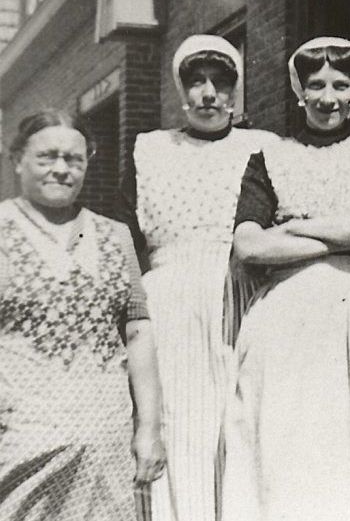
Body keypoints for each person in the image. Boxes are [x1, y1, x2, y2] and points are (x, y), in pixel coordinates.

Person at [221, 37, 350, 521]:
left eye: (341, 85)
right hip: (285, 318)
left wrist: (293, 228)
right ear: (298, 91)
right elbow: (250, 245)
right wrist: (342, 231)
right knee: (284, 446)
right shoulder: (269, 155)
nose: (328, 97)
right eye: (316, 84)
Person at [128, 35, 279, 521]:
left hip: (237, 300)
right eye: (197, 83)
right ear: (181, 90)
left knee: (231, 424)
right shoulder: (149, 149)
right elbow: (129, 244)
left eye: (220, 83)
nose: (209, 94)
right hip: (167, 309)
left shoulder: (264, 147)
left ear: (236, 91)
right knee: (176, 424)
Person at [0, 111, 166, 520]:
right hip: (22, 442)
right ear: (18, 159)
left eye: (74, 159)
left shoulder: (115, 235)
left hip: (104, 444)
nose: (61, 169)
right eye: (47, 157)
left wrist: (149, 428)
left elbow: (138, 330)